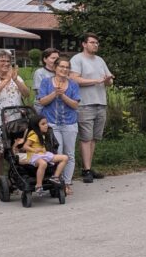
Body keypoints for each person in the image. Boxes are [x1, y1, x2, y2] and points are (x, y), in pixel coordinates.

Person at [69, 33, 114, 183]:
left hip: (100, 103)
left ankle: (88, 167)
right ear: (84, 44)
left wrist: (108, 80)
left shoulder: (100, 60)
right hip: (85, 103)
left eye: (97, 43)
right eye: (92, 42)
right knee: (86, 138)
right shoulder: (77, 59)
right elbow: (74, 79)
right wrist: (96, 80)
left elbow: (109, 81)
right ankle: (86, 170)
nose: (95, 45)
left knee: (94, 138)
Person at [0, 49, 29, 179]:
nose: (6, 63)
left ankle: (16, 177)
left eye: (8, 61)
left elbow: (26, 94)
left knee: (16, 149)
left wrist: (16, 80)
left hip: (16, 120)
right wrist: (6, 80)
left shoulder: (16, 77)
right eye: (2, 60)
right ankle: (0, 181)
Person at [37, 56, 80, 194]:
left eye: (67, 67)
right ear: (55, 68)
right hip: (52, 123)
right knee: (57, 153)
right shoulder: (46, 82)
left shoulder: (73, 84)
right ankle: (57, 182)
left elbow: (75, 104)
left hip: (69, 123)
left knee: (70, 154)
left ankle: (67, 183)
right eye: (61, 66)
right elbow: (42, 102)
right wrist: (55, 93)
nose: (64, 69)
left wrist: (63, 96)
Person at [15, 114, 68, 195]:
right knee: (43, 163)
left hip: (44, 154)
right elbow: (25, 146)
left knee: (64, 158)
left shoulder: (42, 134)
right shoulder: (34, 135)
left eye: (46, 123)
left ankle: (55, 177)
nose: (46, 125)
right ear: (36, 126)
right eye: (43, 124)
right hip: (34, 156)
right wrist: (34, 149)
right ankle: (38, 185)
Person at [31, 47, 59, 114]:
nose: (56, 61)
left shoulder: (60, 72)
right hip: (43, 108)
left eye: (57, 58)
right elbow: (40, 93)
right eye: (53, 58)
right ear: (45, 59)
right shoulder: (39, 73)